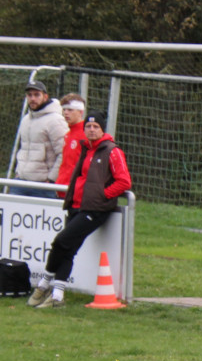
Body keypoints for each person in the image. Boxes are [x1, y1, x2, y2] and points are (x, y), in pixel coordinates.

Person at [27, 110, 131, 309]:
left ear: (102, 130)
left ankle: (43, 283)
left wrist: (103, 195)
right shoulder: (86, 149)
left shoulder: (112, 151)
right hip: (76, 206)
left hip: (94, 210)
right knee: (68, 250)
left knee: (61, 241)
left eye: (95, 127)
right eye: (88, 127)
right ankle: (57, 296)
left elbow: (124, 181)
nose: (91, 130)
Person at [13, 80, 68, 198]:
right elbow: (23, 149)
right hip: (20, 182)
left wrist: (51, 179)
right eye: (29, 95)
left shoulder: (55, 120)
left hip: (42, 186)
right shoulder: (26, 119)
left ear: (45, 96)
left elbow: (64, 152)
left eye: (37, 95)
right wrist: (18, 172)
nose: (33, 98)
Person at [54, 93, 88, 196]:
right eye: (64, 110)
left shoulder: (86, 135)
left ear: (80, 112)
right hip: (62, 189)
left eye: (70, 110)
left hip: (75, 192)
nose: (66, 113)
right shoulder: (68, 134)